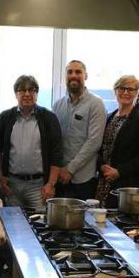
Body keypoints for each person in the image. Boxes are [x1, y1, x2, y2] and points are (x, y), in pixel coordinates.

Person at [0, 75, 62, 210]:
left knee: (40, 225)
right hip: (12, 185)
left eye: (31, 90)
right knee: (13, 226)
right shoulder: (5, 118)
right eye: (22, 90)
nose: (27, 94)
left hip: (38, 186)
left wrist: (51, 184)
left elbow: (57, 153)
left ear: (37, 94)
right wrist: (0, 178)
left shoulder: (48, 118)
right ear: (16, 94)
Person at [95, 75, 139, 208]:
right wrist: (101, 166)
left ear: (136, 93)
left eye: (130, 89)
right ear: (115, 91)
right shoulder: (109, 117)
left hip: (125, 183)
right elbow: (99, 147)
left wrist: (119, 171)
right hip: (103, 180)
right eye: (121, 88)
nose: (125, 92)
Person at [52, 60, 107, 200]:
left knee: (82, 220)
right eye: (70, 72)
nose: (73, 75)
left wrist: (70, 169)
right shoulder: (58, 105)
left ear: (86, 76)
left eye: (78, 72)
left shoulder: (96, 104)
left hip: (83, 179)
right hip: (59, 176)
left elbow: (93, 142)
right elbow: (55, 142)